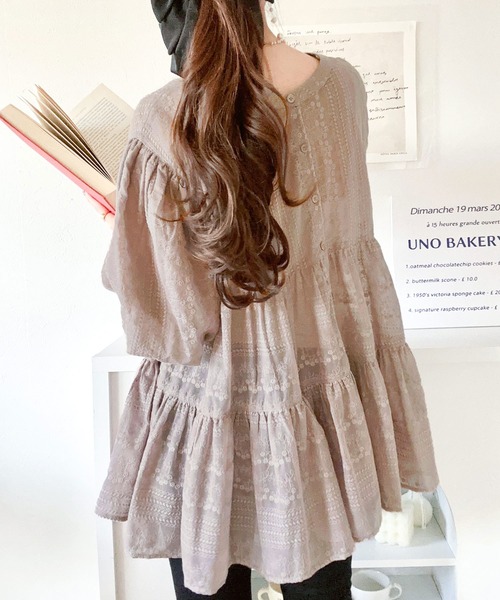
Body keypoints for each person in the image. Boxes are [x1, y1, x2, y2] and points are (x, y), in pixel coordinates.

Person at [89, 1, 440, 598]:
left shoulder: (166, 116)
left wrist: (129, 238)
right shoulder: (343, 87)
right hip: (318, 390)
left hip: (209, 402)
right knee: (322, 587)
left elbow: (173, 326)